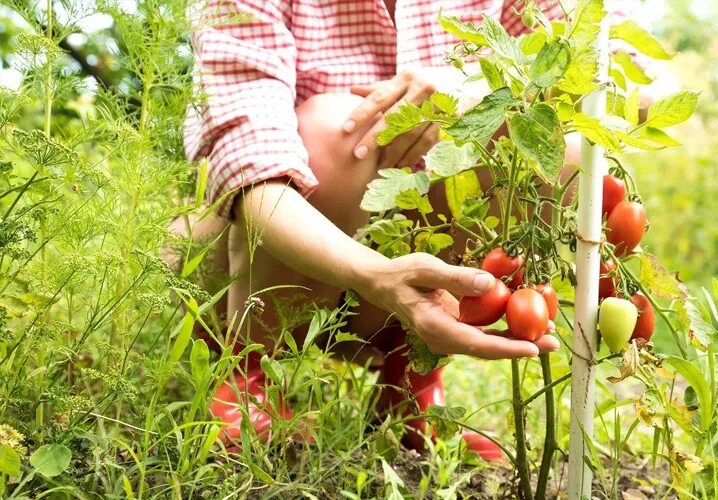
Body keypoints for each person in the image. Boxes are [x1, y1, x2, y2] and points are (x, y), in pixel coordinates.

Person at [180, 0, 565, 460]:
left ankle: (410, 384)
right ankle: (246, 372)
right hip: (258, 259)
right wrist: (376, 276)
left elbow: (621, 78)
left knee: (556, 147)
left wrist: (470, 92)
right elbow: (250, 171)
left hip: (396, 285)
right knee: (337, 132)